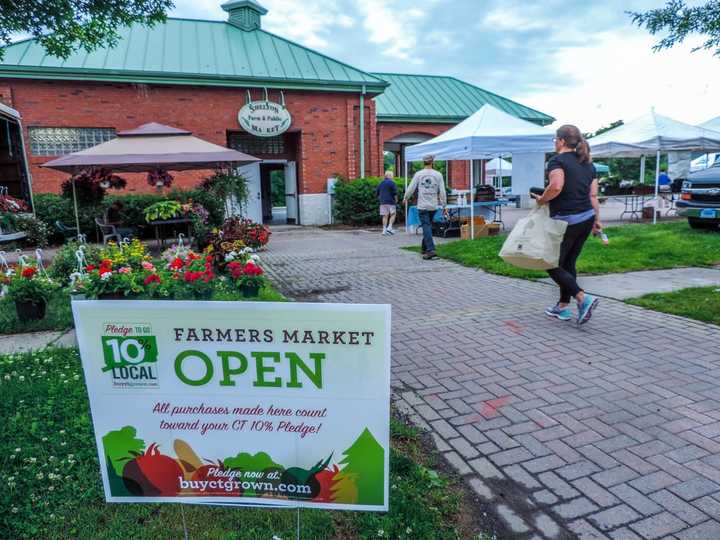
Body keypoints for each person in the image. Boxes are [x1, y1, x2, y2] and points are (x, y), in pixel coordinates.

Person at [532, 125, 601, 325]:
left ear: (561, 141)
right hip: (586, 217)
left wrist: (541, 200)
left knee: (549, 262)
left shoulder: (557, 160)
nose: (554, 142)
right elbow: (593, 195)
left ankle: (582, 298)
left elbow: (556, 186)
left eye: (555, 139)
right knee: (568, 263)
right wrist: (597, 221)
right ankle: (562, 307)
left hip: (567, 220)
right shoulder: (587, 163)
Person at [403, 154, 447, 260]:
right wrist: (444, 204)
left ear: (423, 162)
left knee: (426, 226)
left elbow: (411, 187)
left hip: (422, 205)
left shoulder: (419, 174)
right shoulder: (438, 175)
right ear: (432, 162)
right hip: (433, 205)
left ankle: (430, 250)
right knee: (428, 226)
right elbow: (442, 191)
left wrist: (406, 197)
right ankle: (424, 248)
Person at [376, 170, 398, 235]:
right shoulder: (392, 183)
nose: (393, 177)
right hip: (391, 202)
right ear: (390, 176)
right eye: (392, 175)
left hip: (383, 202)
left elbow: (377, 192)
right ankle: (389, 227)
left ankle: (384, 230)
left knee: (385, 216)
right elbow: (395, 193)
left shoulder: (381, 183)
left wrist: (380, 199)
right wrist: (396, 200)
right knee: (393, 214)